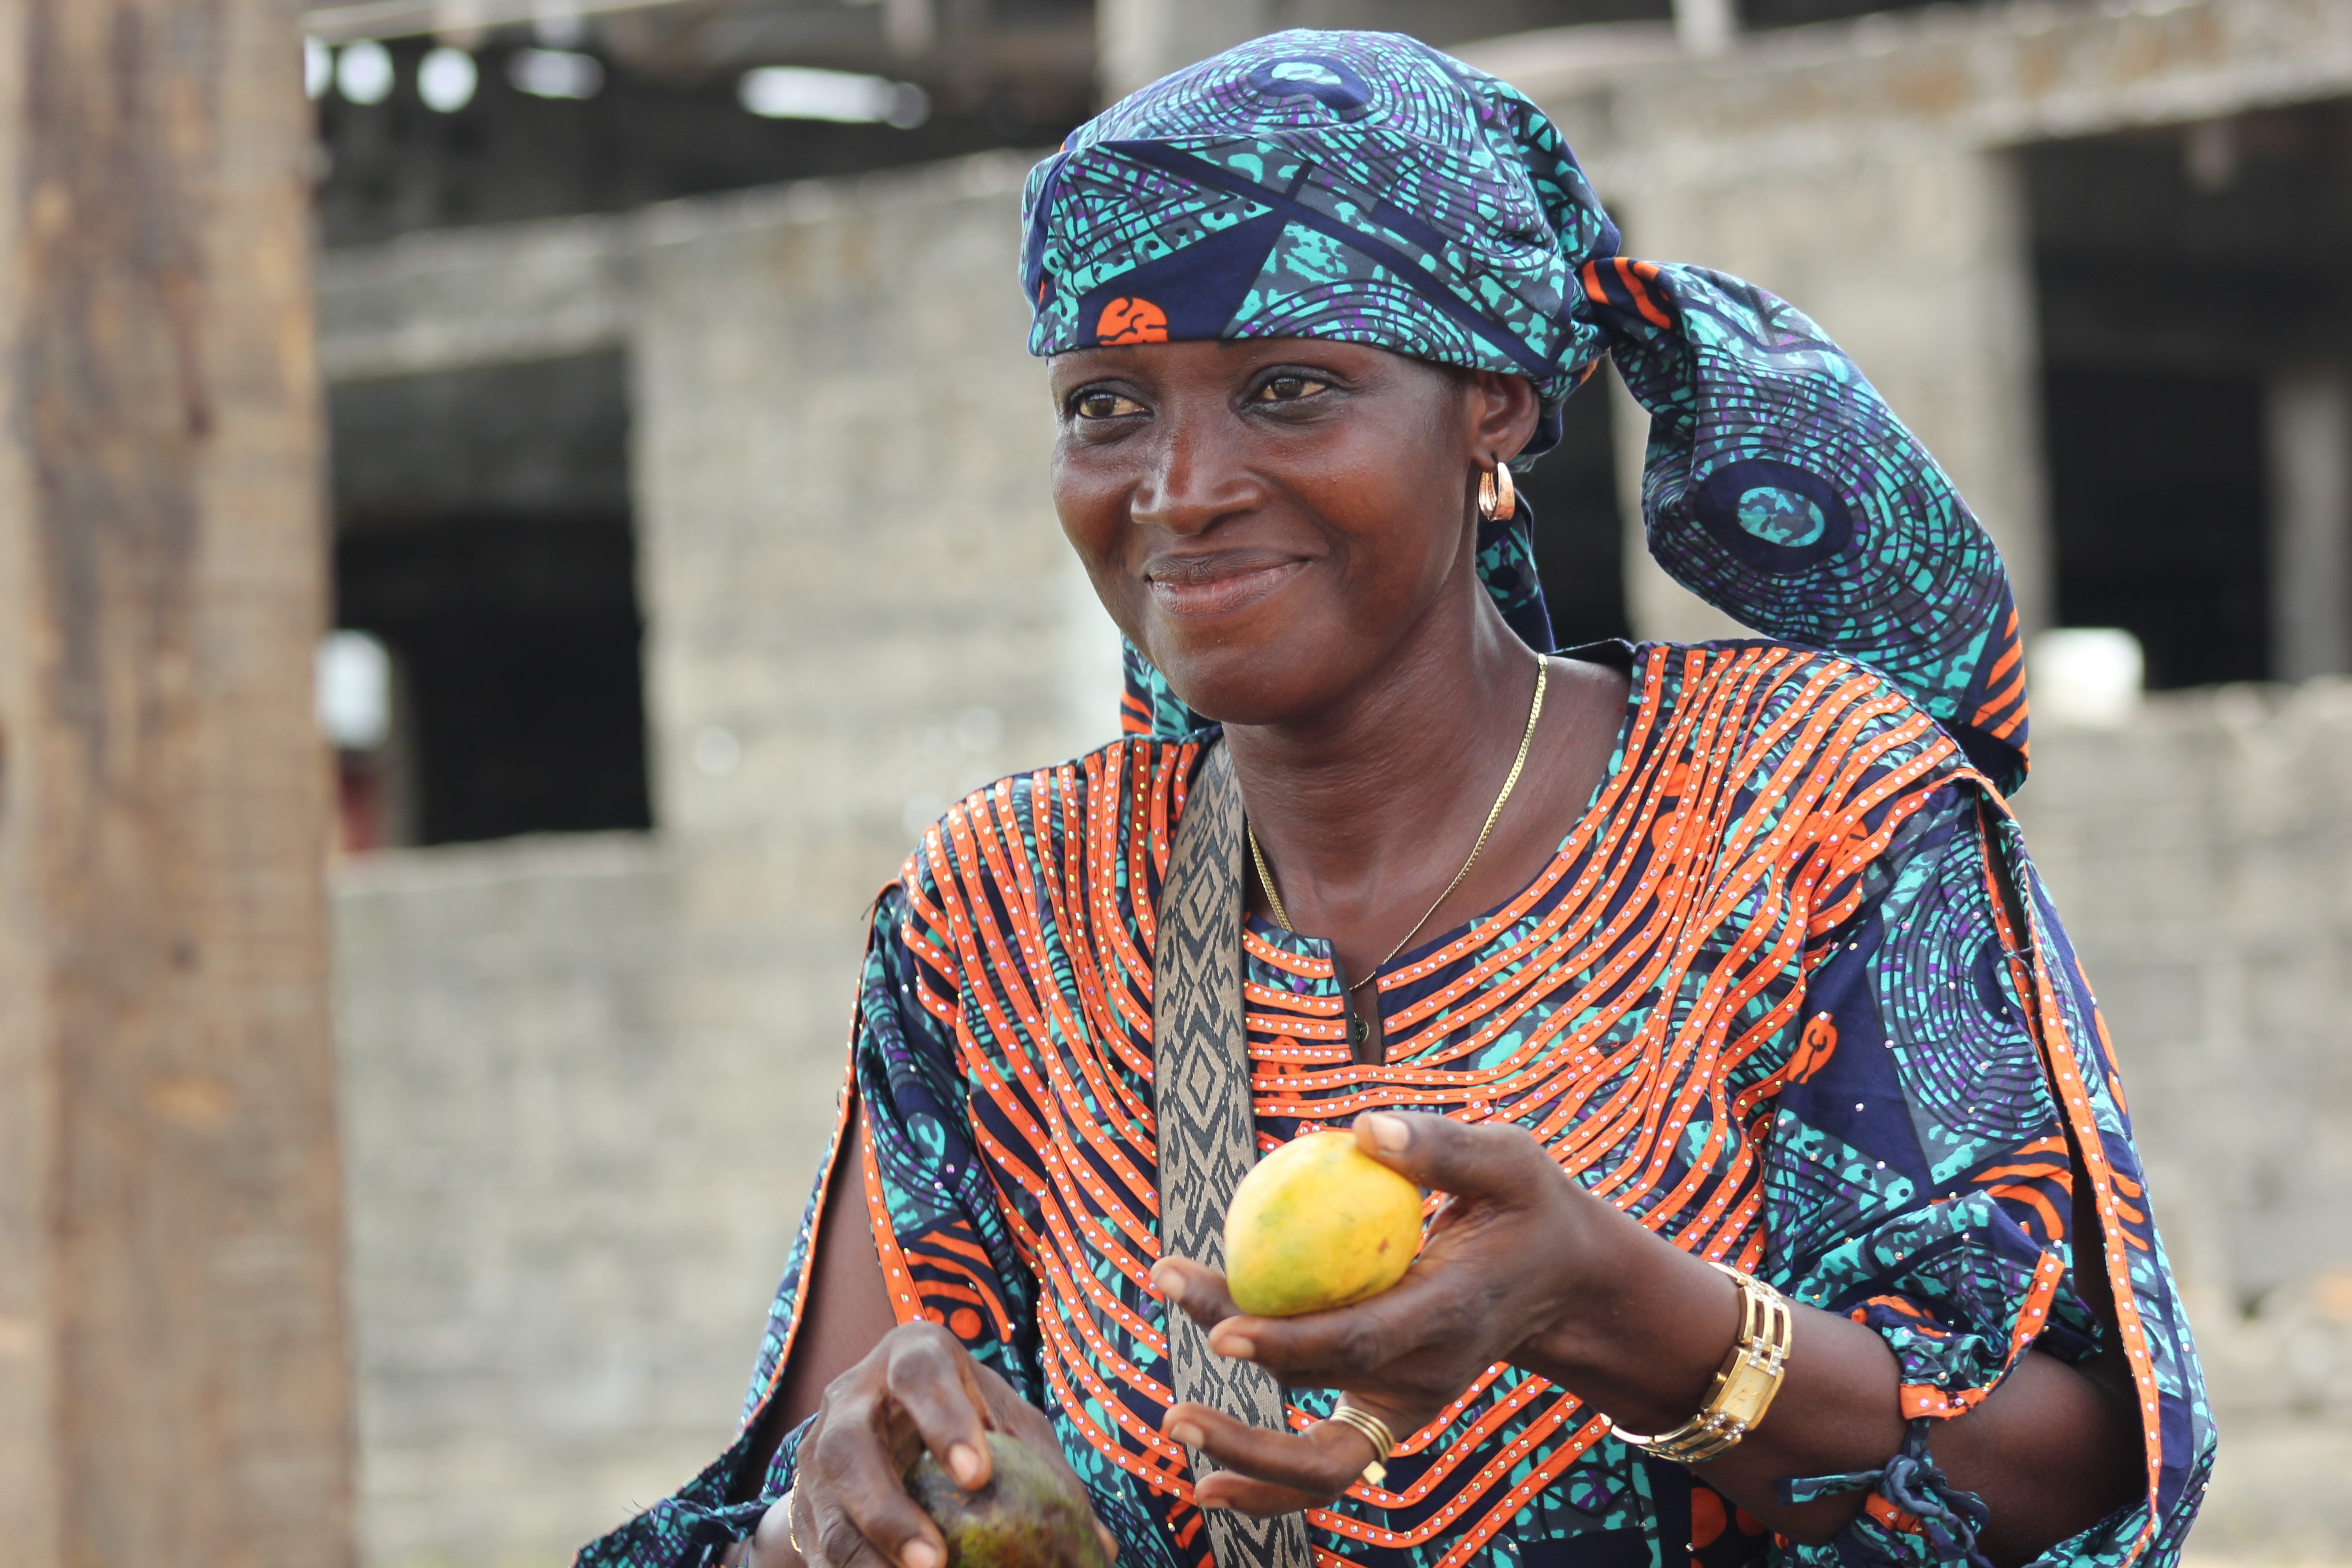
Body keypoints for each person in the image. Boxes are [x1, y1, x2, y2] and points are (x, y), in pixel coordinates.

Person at [579, 30, 2210, 1568]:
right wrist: (840, 1499)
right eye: (1106, 405)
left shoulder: (1805, 812)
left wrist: (1623, 1313)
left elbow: (2069, 1475)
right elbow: (811, 1493)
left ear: (1491, 403)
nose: (1183, 489)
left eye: (1292, 389)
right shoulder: (1003, 916)